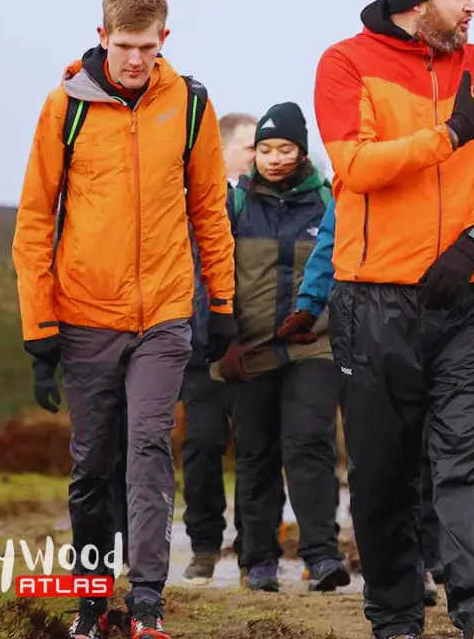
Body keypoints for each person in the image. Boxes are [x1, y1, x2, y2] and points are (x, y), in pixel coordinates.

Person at [308, 0, 474, 639]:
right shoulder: (344, 64)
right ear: (418, 1)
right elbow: (356, 165)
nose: (473, 6)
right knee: (382, 471)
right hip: (372, 300)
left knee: (467, 454)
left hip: (468, 295)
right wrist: (448, 133)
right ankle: (397, 613)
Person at [13, 0, 236, 639]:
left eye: (147, 46)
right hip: (84, 315)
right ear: (101, 36)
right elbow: (33, 220)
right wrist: (39, 327)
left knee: (146, 450)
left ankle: (146, 601)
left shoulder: (190, 105)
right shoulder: (66, 108)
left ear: (164, 38)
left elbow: (209, 212)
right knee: (93, 463)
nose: (135, 60)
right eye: (124, 46)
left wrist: (219, 303)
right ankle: (89, 600)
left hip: (166, 312)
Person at [279, 202, 446, 610]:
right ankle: (394, 569)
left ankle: (427, 561)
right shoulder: (360, 173)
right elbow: (331, 242)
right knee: (382, 457)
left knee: (431, 453)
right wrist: (309, 303)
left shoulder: (448, 173)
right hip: (370, 326)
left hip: (442, 322)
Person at [212, 101, 350, 594]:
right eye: (265, 148)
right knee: (256, 452)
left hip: (313, 345)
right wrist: (216, 333)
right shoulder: (235, 205)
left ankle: (322, 555)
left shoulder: (328, 202)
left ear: (301, 150)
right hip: (249, 348)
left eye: (284, 148)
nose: (272, 157)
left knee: (309, 443)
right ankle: (259, 559)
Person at [180, 111, 289, 586]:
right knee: (202, 446)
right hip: (200, 348)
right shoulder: (193, 203)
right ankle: (204, 546)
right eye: (250, 147)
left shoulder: (274, 203)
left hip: (259, 349)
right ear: (221, 151)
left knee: (258, 451)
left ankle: (255, 552)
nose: (260, 156)